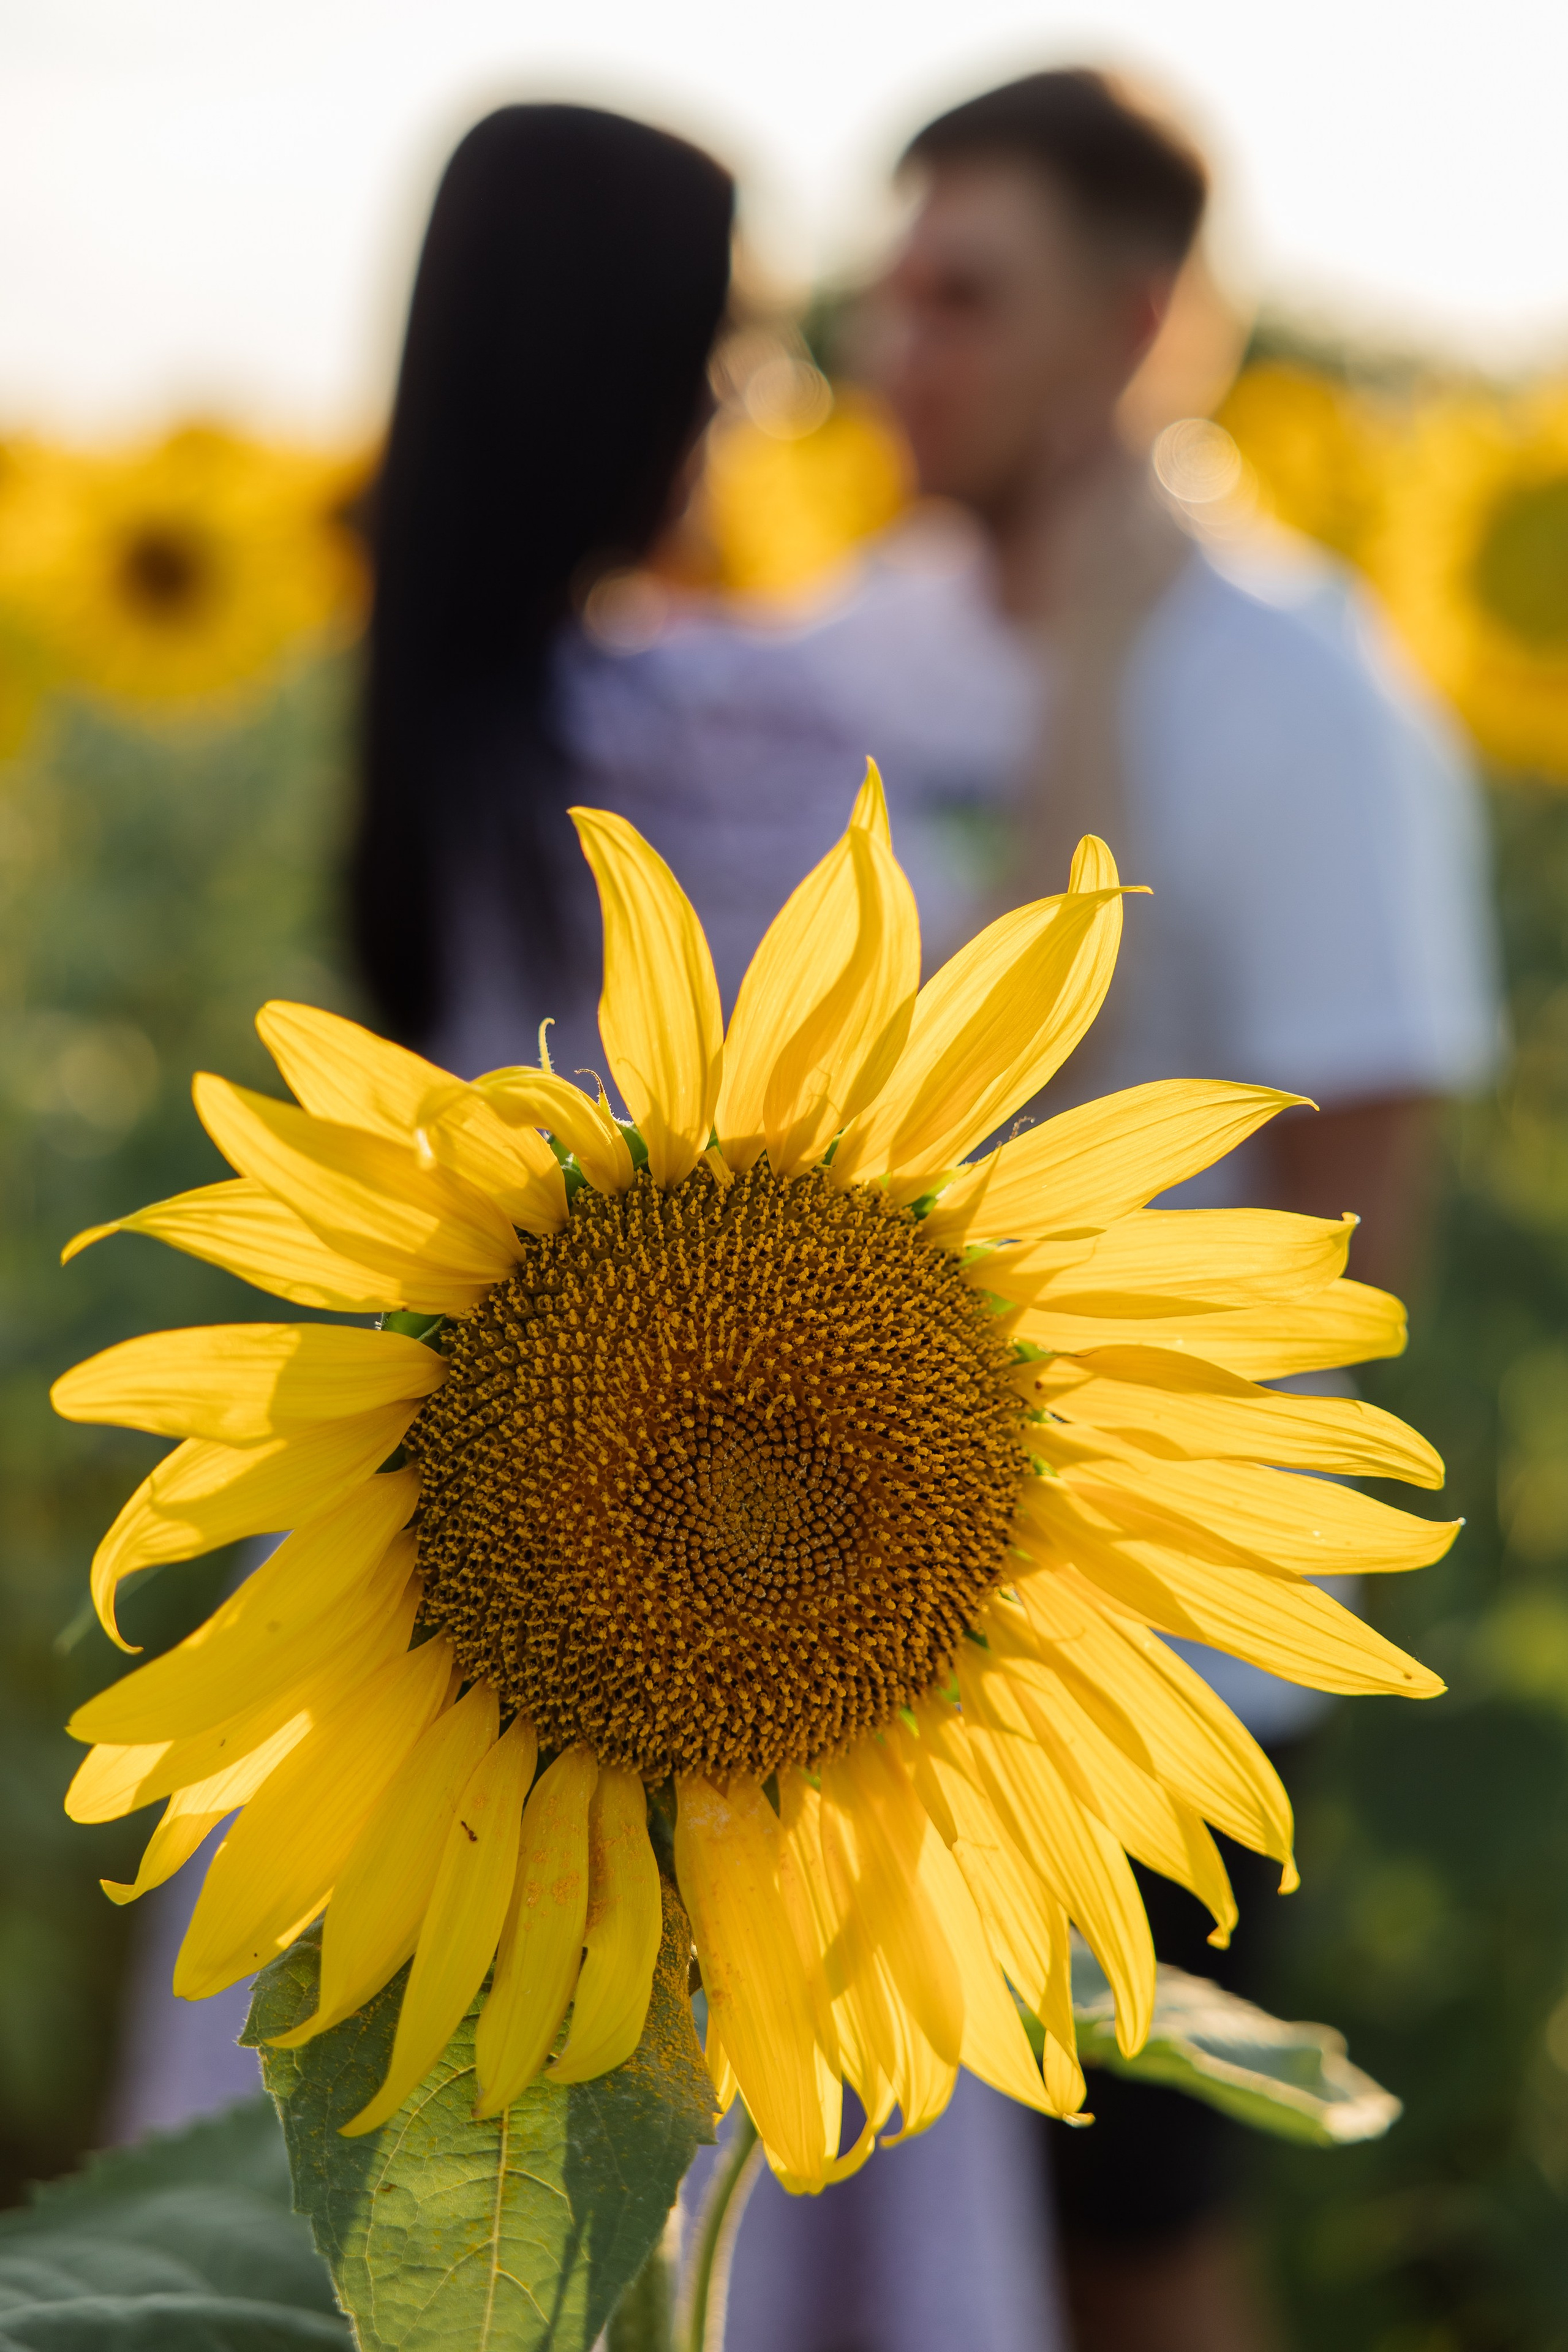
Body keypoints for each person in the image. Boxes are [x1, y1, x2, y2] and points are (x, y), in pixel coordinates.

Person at [848, 65, 1502, 2352]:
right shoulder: (886, 625)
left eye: (962, 294)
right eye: (888, 286)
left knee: (1130, 2258)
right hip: (825, 1621)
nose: (885, 345)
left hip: (1143, 1656)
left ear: (1136, 327)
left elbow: (1350, 1258)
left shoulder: (1303, 693)